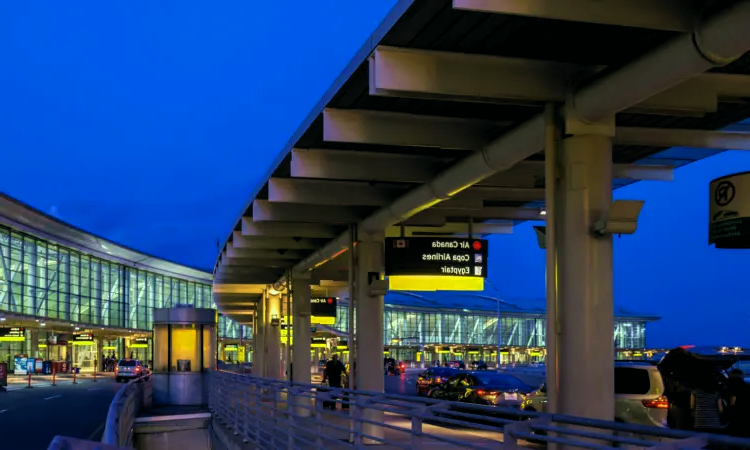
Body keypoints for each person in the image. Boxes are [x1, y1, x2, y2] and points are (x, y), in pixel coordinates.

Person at [727, 369, 750, 437]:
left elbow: (733, 401)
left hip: (737, 413)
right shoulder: (746, 385)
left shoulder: (732, 386)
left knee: (736, 433)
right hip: (746, 412)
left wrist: (729, 410)